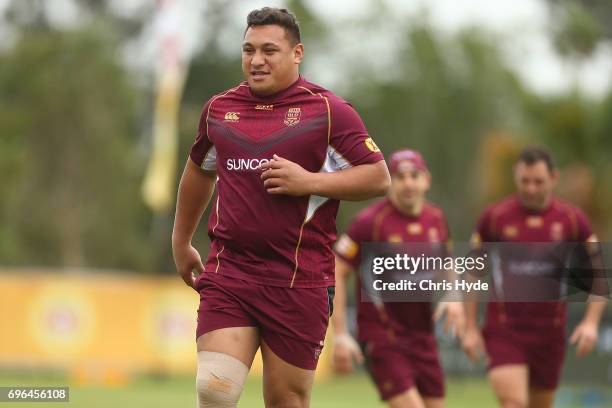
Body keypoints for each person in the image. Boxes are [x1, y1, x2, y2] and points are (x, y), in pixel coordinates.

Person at [171, 7, 390, 408]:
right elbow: (199, 171)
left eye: (269, 50)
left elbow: (378, 177)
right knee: (214, 390)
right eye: (248, 49)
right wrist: (181, 240)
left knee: (285, 400)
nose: (256, 60)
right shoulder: (219, 110)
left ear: (297, 53)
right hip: (231, 272)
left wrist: (309, 181)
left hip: (299, 280)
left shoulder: (328, 111)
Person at [462, 146, 607, 408]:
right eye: (524, 181)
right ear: (516, 177)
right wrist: (470, 326)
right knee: (514, 403)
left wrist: (591, 323)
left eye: (538, 182)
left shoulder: (572, 221)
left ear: (553, 178)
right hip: (504, 331)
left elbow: (598, 272)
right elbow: (472, 273)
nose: (530, 188)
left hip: (549, 335)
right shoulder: (494, 219)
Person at [333, 149, 465, 408]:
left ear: (426, 180)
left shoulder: (436, 219)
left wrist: (454, 295)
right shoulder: (369, 222)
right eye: (400, 177)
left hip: (423, 337)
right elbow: (337, 270)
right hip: (383, 336)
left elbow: (447, 261)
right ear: (390, 180)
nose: (408, 184)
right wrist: (340, 334)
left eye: (414, 176)